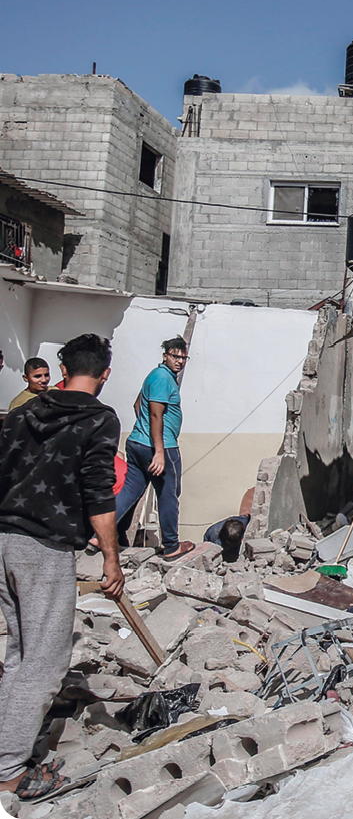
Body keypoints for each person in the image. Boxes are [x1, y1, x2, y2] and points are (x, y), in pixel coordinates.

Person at [0, 334, 123, 803]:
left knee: (20, 654)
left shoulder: (21, 412)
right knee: (46, 664)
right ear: (104, 374)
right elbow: (98, 490)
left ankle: (5, 752)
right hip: (42, 547)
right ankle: (10, 774)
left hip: (4, 538)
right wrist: (111, 557)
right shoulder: (97, 417)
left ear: (63, 367)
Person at [113, 337, 192, 560]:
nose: (180, 361)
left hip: (139, 443)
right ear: (165, 355)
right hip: (161, 447)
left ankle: (99, 534)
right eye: (175, 356)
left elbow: (138, 404)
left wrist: (144, 430)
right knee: (168, 495)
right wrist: (158, 450)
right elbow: (156, 414)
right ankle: (171, 545)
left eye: (183, 357)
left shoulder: (157, 376)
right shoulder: (162, 379)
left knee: (130, 491)